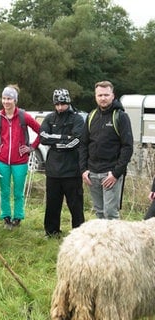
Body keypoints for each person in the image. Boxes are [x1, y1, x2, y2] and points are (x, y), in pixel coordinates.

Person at [0, 84, 40, 229]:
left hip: (20, 161)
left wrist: (32, 147)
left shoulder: (23, 116)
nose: (6, 101)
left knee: (18, 192)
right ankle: (6, 217)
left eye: (9, 98)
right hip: (2, 161)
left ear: (15, 100)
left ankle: (17, 218)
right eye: (4, 98)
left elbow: (41, 131)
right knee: (4, 191)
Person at [79, 80, 134, 220]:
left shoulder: (120, 117)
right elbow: (84, 144)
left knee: (110, 213)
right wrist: (83, 170)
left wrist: (116, 173)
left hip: (110, 174)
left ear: (113, 96)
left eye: (106, 95)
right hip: (92, 174)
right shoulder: (91, 117)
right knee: (99, 213)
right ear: (95, 96)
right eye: (100, 95)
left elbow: (127, 147)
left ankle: (117, 241)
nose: (103, 98)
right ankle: (103, 242)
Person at [39, 88, 85, 238]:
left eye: (63, 104)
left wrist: (57, 140)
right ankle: (51, 232)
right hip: (53, 170)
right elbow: (43, 137)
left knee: (75, 205)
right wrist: (64, 137)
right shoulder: (49, 118)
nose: (60, 107)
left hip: (72, 170)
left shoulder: (77, 119)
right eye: (57, 104)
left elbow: (77, 140)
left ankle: (79, 233)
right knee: (52, 203)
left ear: (68, 102)